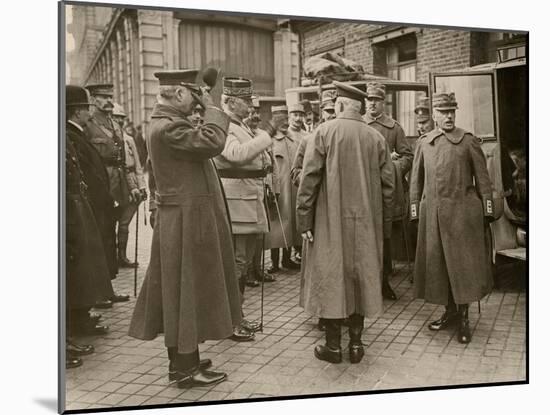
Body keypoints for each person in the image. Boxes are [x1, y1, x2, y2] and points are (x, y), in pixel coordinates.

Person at [128, 69, 242, 388]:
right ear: (178, 94)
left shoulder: (163, 125)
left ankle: (184, 360)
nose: (196, 102)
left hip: (180, 219)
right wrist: (214, 108)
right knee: (186, 292)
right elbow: (212, 141)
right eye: (192, 95)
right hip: (186, 222)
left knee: (179, 292)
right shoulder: (170, 127)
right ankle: (185, 369)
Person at [297, 81, 394, 364]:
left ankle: (332, 347)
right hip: (367, 221)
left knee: (331, 276)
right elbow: (389, 185)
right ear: (361, 107)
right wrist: (384, 223)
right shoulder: (376, 137)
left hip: (330, 220)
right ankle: (355, 345)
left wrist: (305, 219)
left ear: (339, 105)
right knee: (361, 277)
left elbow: (309, 180)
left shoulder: (324, 132)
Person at [410, 92, 494, 344]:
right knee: (440, 267)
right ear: (433, 115)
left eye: (452, 112)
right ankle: (449, 312)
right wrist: (415, 211)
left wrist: (487, 211)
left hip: (462, 217)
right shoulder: (425, 142)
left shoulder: (468, 141)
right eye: (443, 112)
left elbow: (484, 180)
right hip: (434, 217)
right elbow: (416, 181)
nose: (448, 116)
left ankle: (464, 317)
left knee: (463, 269)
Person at [214, 77, 274, 341]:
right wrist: (267, 135)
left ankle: (236, 316)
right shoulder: (223, 125)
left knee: (243, 261)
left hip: (247, 200)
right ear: (231, 101)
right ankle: (230, 322)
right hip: (236, 204)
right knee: (236, 263)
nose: (251, 105)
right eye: (247, 101)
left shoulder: (238, 124)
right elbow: (236, 155)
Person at [65, 85, 114, 367]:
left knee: (81, 272)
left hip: (79, 207)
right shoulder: (68, 135)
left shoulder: (72, 136)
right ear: (76, 111)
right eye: (84, 108)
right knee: (72, 275)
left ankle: (76, 324)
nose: (88, 112)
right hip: (72, 211)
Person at [84, 83, 133, 306]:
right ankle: (97, 291)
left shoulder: (114, 123)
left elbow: (124, 158)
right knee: (99, 236)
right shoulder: (88, 124)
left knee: (110, 235)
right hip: (99, 185)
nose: (109, 101)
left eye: (110, 97)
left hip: (118, 183)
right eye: (103, 97)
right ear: (93, 99)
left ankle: (108, 287)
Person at [364, 82, 413, 301]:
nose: (372, 104)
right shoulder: (360, 125)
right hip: (362, 189)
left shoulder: (394, 128)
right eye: (369, 99)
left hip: (385, 190)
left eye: (376, 100)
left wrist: (391, 167)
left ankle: (383, 283)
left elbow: (407, 157)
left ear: (383, 102)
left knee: (383, 236)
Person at [244, 97, 277, 287]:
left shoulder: (261, 134)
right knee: (249, 233)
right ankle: (248, 272)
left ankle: (257, 268)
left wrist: (273, 188)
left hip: (263, 188)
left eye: (256, 112)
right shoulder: (243, 135)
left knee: (260, 233)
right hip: (248, 190)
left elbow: (271, 164)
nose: (254, 115)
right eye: (250, 111)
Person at [265, 105, 301, 273]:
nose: (286, 123)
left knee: (290, 225)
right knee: (277, 226)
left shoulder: (293, 140)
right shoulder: (269, 141)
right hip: (278, 189)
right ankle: (274, 262)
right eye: (282, 120)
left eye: (287, 119)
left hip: (292, 189)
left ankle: (287, 259)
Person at [111, 103, 147, 268]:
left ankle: (122, 256)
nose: (119, 120)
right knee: (110, 221)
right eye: (115, 117)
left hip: (131, 179)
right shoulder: (108, 139)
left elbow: (138, 165)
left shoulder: (129, 139)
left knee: (125, 221)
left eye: (121, 118)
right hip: (114, 182)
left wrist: (141, 186)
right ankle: (111, 255)